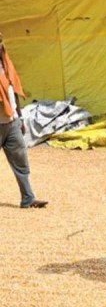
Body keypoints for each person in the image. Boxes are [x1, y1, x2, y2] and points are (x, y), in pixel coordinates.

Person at [0, 32, 47, 209]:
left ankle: (28, 198)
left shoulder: (6, 66)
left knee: (20, 161)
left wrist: (20, 118)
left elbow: (13, 92)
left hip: (12, 122)